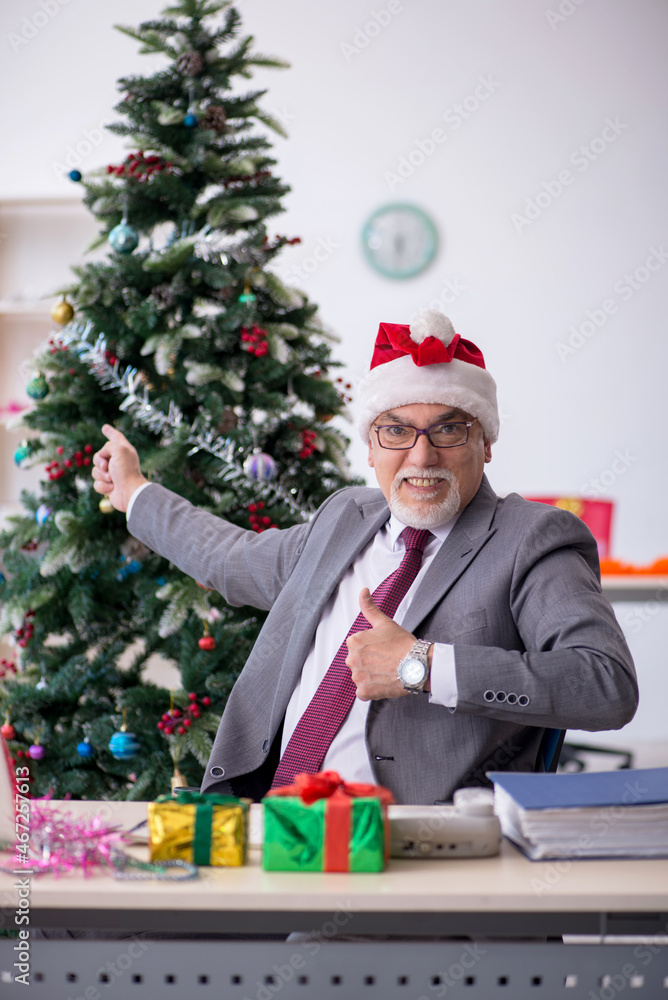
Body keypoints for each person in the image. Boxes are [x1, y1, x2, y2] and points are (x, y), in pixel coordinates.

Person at [92, 309, 638, 804]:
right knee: (73, 911)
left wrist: (422, 666)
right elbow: (233, 559)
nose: (421, 455)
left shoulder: (531, 538)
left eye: (449, 428)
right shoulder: (345, 517)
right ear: (371, 446)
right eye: (396, 430)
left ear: (486, 443)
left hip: (407, 852)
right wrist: (135, 492)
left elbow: (604, 684)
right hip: (268, 817)